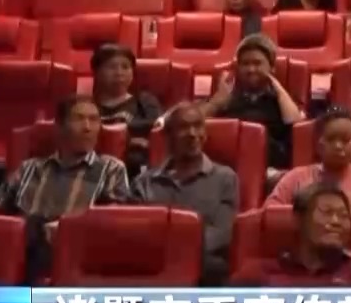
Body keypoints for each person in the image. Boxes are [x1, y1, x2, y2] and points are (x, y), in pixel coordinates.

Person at [134, 102, 239, 284]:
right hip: (153, 264)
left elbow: (222, 232)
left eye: (198, 126)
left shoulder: (225, 178)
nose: (192, 134)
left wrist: (179, 252)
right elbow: (138, 234)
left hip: (203, 267)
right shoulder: (144, 182)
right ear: (168, 136)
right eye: (183, 127)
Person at [0, 94, 134, 223]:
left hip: (76, 241)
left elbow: (112, 223)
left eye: (94, 119)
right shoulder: (28, 168)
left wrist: (66, 228)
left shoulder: (111, 169)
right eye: (78, 119)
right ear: (60, 126)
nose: (87, 127)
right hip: (25, 239)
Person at [240, 182, 351, 286]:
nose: (336, 221)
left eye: (344, 215)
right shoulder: (258, 274)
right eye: (326, 213)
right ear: (299, 219)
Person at [205, 33, 302, 169]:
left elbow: (297, 126)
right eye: (245, 64)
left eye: (257, 63)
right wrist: (216, 102)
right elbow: (192, 121)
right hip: (228, 168)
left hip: (270, 169)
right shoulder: (225, 97)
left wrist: (277, 88)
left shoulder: (283, 99)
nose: (251, 69)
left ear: (272, 67)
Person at [90, 43, 163, 174]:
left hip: (137, 170)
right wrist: (129, 140)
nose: (119, 73)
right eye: (111, 67)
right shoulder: (86, 105)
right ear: (96, 72)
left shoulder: (144, 101)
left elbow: (157, 128)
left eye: (125, 67)